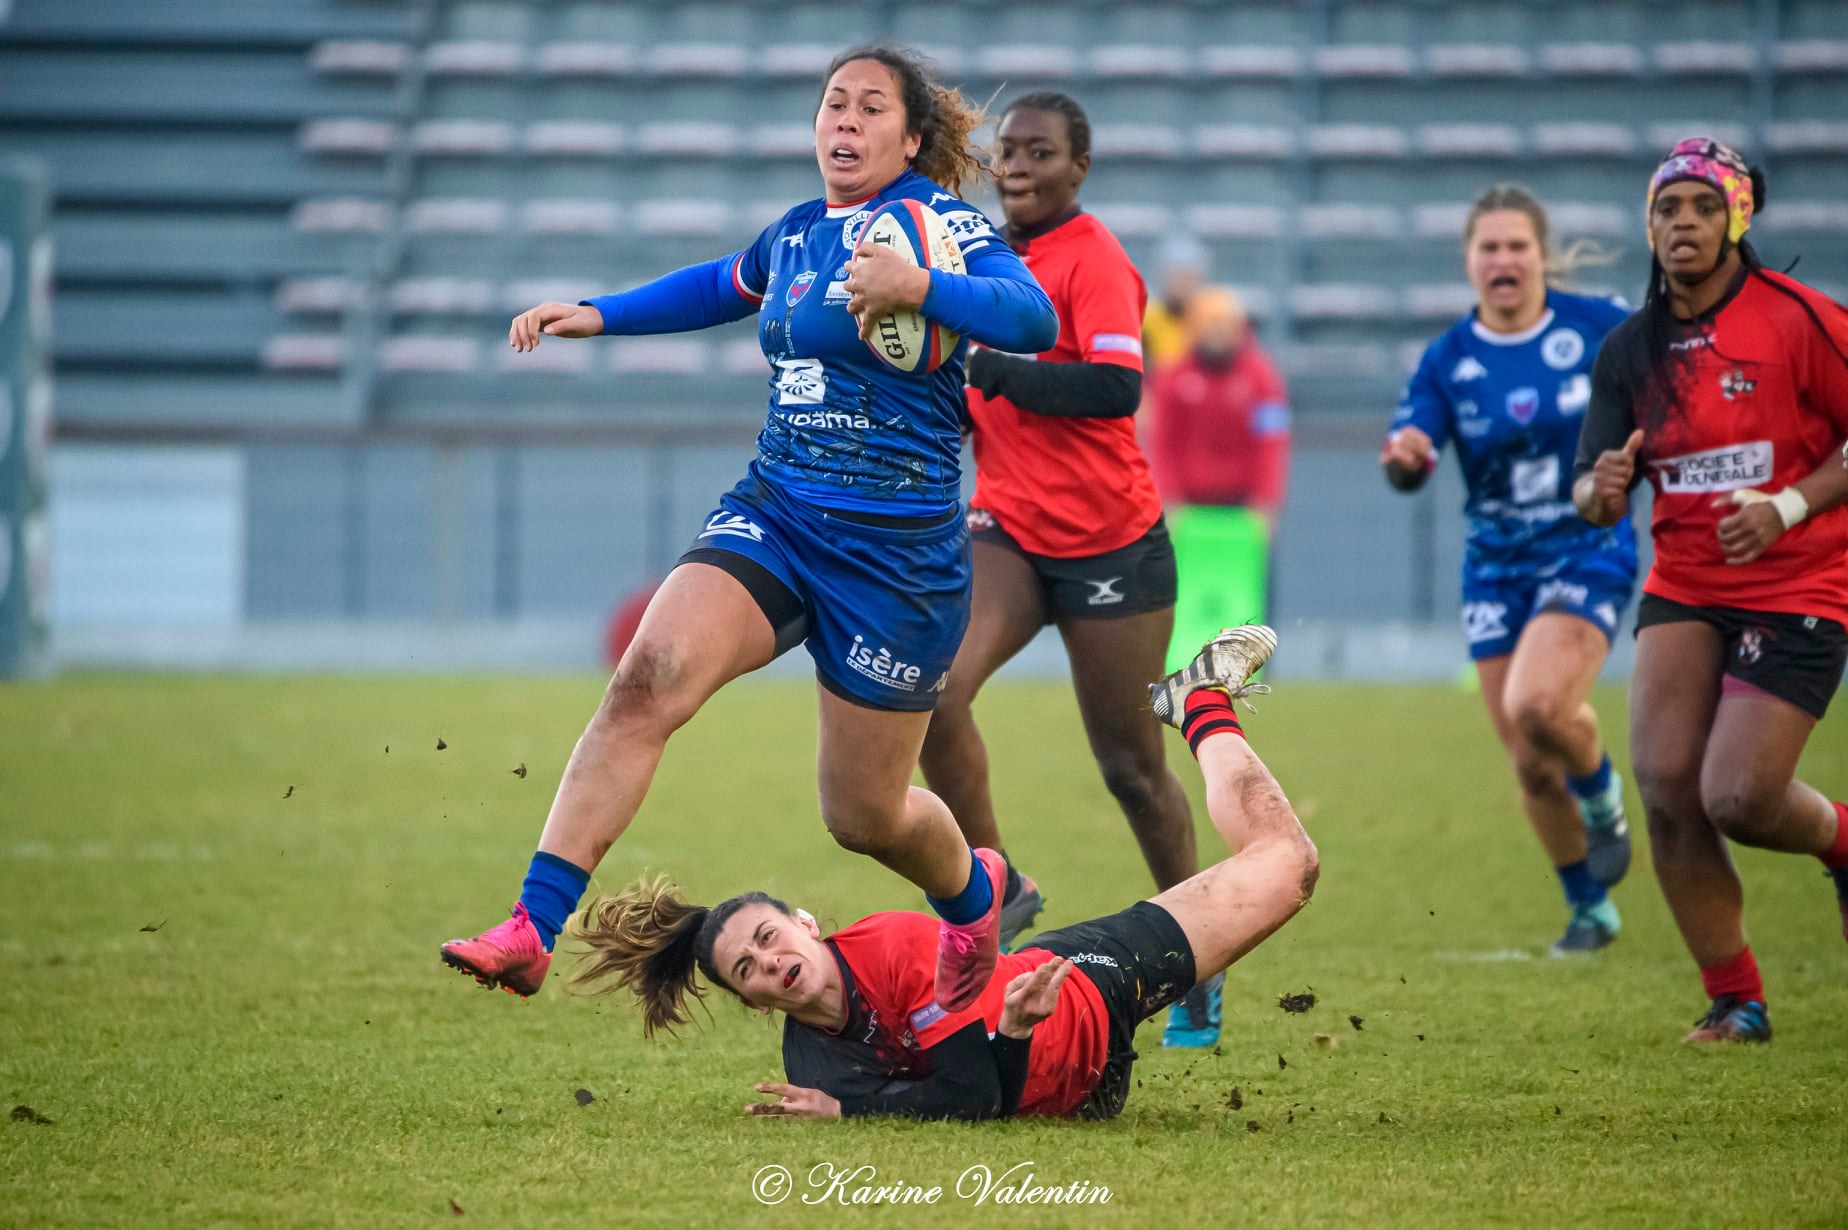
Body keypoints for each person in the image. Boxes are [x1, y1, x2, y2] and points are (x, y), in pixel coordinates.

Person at [439, 45, 1057, 1015]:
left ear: (910, 138)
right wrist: (600, 314)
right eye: (833, 103)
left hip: (897, 563)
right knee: (646, 682)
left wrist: (920, 289)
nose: (844, 120)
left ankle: (977, 898)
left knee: (864, 816)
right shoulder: (799, 234)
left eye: (870, 107)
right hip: (778, 512)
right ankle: (531, 928)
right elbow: (721, 284)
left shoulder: (941, 228)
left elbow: (1032, 317)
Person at [571, 627, 1318, 1121]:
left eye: (767, 938)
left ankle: (1198, 704)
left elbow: (973, 1095)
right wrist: (1007, 1038)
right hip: (1075, 1082)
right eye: (748, 971)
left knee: (1290, 867)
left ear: (805, 924)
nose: (770, 963)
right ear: (753, 1002)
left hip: (1091, 982)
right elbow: (978, 1097)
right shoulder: (812, 1061)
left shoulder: (893, 950)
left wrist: (853, 1111)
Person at [914, 92, 1214, 1048]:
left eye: (1040, 152)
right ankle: (996, 885)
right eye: (1008, 151)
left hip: (1111, 543)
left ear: (1080, 167)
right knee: (932, 693)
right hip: (1007, 528)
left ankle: (1199, 954)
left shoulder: (1095, 259)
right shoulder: (977, 261)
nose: (1017, 167)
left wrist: (999, 372)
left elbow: (1117, 386)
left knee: (1132, 769)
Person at [1574, 138, 1848, 1043]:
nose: (1682, 222)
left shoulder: (1800, 318)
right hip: (1686, 584)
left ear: (1737, 217)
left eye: (1701, 205)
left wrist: (1788, 506)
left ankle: (1844, 843)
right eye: (1667, 208)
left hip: (1802, 578)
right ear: (1649, 225)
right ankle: (1738, 1000)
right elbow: (1589, 493)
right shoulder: (1631, 349)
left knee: (1740, 798)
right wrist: (1601, 490)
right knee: (1665, 788)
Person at [1381, 184, 1636, 956]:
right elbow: (1409, 453)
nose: (1504, 259)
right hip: (1494, 566)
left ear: (1541, 255)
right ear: (1469, 261)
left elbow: (1670, 392)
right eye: (1489, 247)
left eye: (1517, 246)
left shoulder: (1600, 326)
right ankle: (1590, 910)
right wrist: (1406, 458)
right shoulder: (1449, 358)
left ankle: (1603, 799)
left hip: (1585, 546)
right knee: (1529, 762)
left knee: (1539, 704)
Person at [1147, 288, 1292, 663]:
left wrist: (1266, 503)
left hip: (1241, 508)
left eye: (1224, 325)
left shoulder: (1261, 379)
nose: (1217, 333)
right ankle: (1180, 663)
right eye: (1209, 325)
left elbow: (1272, 443)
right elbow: (1163, 443)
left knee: (1249, 592)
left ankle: (1255, 665)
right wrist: (1168, 499)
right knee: (1183, 593)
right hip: (1188, 510)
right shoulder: (1173, 377)